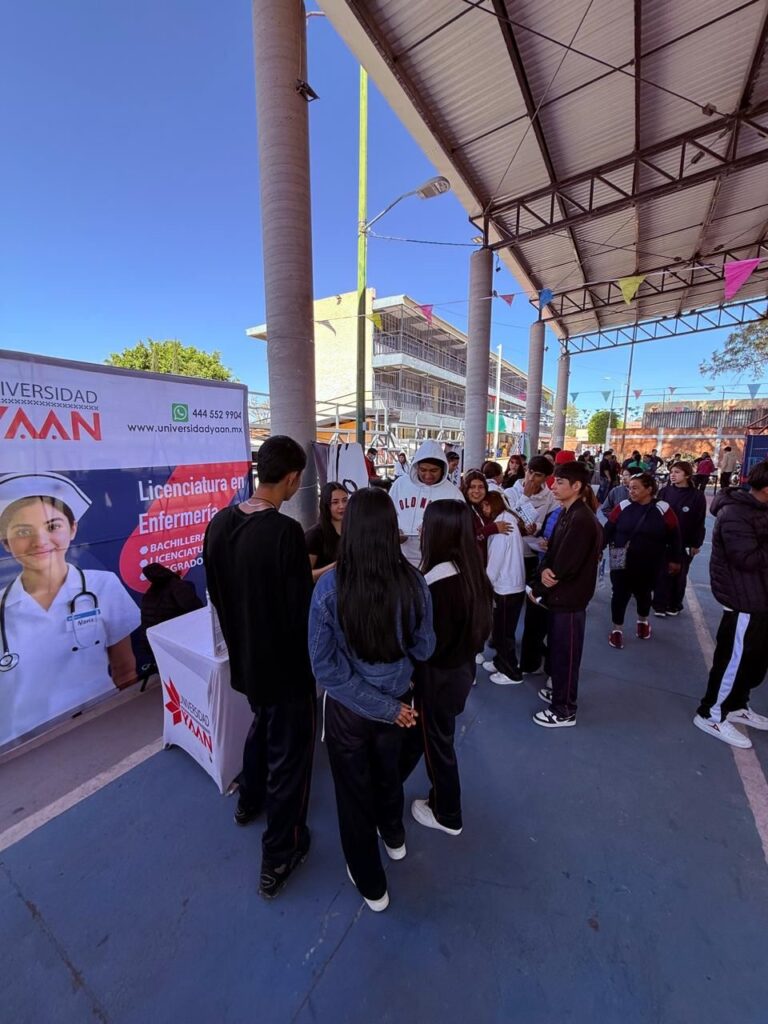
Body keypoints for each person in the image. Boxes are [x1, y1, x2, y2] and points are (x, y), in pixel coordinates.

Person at [309, 488, 434, 911]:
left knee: (353, 793)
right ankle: (393, 836)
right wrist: (393, 698)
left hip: (349, 712)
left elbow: (324, 668)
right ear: (390, 529)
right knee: (388, 775)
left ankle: (369, 880)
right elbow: (425, 647)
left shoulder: (329, 588)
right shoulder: (415, 582)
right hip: (398, 704)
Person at [203, 436, 315, 900]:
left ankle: (249, 800)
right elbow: (301, 612)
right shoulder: (285, 533)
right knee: (290, 759)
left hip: (246, 662)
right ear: (291, 478)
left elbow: (218, 594)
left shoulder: (218, 523)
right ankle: (280, 854)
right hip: (287, 670)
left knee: (261, 727)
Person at [0, 474, 140, 750]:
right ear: (6, 542)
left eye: (53, 526)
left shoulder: (103, 585)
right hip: (23, 749)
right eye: (24, 532)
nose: (40, 541)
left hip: (103, 721)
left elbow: (125, 668)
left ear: (73, 529)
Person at [400, 500, 492, 836]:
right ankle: (390, 784)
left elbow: (426, 645)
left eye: (426, 524)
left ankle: (448, 813)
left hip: (436, 680)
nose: (420, 529)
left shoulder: (437, 585)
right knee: (425, 736)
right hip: (459, 673)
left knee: (437, 744)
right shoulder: (470, 572)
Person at [693, 461, 768, 748]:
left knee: (753, 659)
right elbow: (746, 559)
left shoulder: (759, 510)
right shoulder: (735, 513)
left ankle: (736, 704)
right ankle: (711, 714)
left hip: (759, 598)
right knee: (732, 660)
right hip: (743, 599)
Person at [529, 462, 603, 728]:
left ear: (577, 486)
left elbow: (564, 564)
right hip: (560, 598)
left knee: (566, 656)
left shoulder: (581, 520)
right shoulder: (567, 513)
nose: (554, 486)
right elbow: (552, 553)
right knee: (559, 652)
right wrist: (544, 572)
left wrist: (542, 584)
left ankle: (564, 710)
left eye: (560, 482)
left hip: (570, 599)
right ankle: (559, 693)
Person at [603, 472, 682, 648]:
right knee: (619, 594)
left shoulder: (663, 509)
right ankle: (617, 630)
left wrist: (675, 559)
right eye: (629, 488)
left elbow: (675, 536)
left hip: (650, 562)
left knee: (644, 593)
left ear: (649, 489)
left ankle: (642, 622)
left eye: (635, 488)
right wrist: (597, 549)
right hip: (620, 558)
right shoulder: (622, 506)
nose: (631, 491)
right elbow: (608, 530)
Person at [505, 456, 558, 675]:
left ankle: (532, 652)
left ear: (546, 478)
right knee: (509, 603)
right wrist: (525, 497)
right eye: (530, 472)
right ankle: (502, 645)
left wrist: (543, 534)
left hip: (533, 556)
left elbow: (547, 524)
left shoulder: (551, 497)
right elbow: (509, 519)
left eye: (538, 475)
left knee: (535, 606)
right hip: (510, 554)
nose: (531, 478)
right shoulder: (511, 492)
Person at [389, 440, 464, 567]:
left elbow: (461, 529)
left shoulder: (453, 493)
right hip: (400, 558)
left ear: (443, 469)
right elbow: (387, 515)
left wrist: (436, 534)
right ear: (416, 467)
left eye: (434, 470)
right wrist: (393, 532)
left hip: (435, 563)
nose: (428, 475)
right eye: (423, 470)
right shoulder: (400, 484)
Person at [481, 491, 526, 685]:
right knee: (504, 629)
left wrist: (485, 585)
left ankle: (511, 672)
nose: (484, 509)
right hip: (513, 584)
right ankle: (500, 662)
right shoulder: (509, 518)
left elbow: (495, 561)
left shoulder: (502, 526)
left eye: (485, 505)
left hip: (505, 587)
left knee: (503, 632)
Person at [653, 461, 706, 617]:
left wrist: (696, 544)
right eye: (671, 472)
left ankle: (674, 604)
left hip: (685, 541)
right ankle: (659, 604)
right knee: (661, 572)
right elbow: (656, 515)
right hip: (664, 540)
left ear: (687, 475)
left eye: (677, 472)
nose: (673, 475)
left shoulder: (697, 496)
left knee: (679, 573)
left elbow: (699, 521)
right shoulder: (664, 492)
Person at [461, 469, 512, 564]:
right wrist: (492, 529)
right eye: (472, 487)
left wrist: (525, 530)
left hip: (487, 563)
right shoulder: (461, 510)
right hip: (469, 565)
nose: (477, 491)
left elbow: (507, 527)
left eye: (481, 487)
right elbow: (465, 540)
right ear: (466, 489)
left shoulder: (484, 508)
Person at [305, 482, 348, 583]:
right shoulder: (315, 535)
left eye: (345, 500)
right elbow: (304, 575)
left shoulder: (352, 530)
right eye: (335, 502)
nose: (342, 506)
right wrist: (333, 567)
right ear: (326, 505)